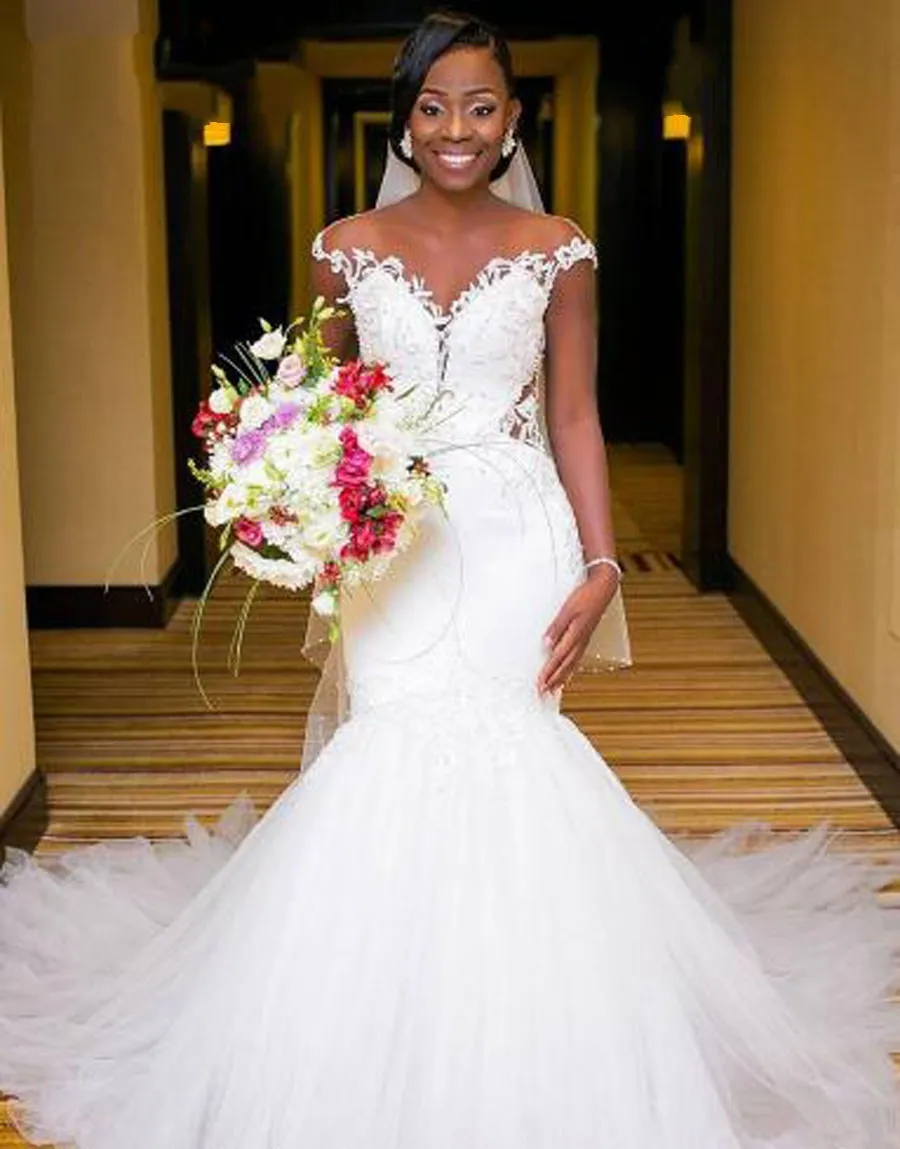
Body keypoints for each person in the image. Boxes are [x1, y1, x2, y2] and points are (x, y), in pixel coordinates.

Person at [1, 12, 899, 1149]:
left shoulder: (558, 247)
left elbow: (574, 413)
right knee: (387, 755)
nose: (457, 129)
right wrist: (299, 502)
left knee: (516, 759)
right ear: (405, 119)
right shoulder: (343, 246)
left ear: (512, 118)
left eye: (481, 106)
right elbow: (317, 404)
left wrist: (603, 558)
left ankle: (528, 1037)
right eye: (434, 107)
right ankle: (368, 1031)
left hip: (519, 539)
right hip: (396, 544)